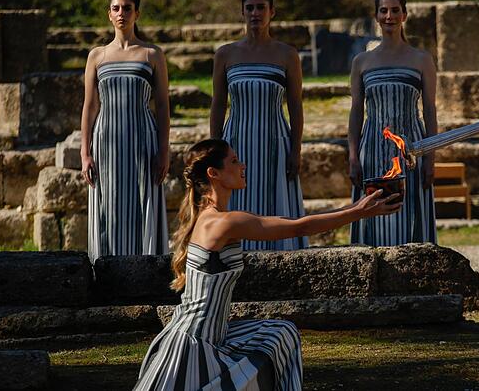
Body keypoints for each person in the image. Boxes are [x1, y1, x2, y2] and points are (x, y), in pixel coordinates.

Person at [134, 139, 401, 390]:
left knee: (281, 332)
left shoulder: (215, 217)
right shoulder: (222, 222)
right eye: (235, 161)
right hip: (194, 342)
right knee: (280, 335)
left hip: (213, 334)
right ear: (214, 173)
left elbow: (291, 221)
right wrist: (358, 212)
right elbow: (298, 228)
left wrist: (355, 208)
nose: (243, 166)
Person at [210, 0, 307, 250]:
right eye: (250, 8)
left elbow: (296, 105)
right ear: (242, 12)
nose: (255, 13)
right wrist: (214, 148)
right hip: (236, 144)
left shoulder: (286, 54)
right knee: (237, 204)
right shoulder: (226, 54)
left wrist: (295, 149)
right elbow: (218, 103)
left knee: (275, 206)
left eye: (261, 7)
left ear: (272, 12)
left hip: (275, 143)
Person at [80, 0, 169, 262]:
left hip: (143, 140)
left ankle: (146, 266)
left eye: (127, 8)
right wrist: (85, 153)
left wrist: (164, 150)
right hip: (106, 141)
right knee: (109, 203)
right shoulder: (97, 55)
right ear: (109, 15)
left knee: (142, 201)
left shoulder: (152, 54)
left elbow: (163, 106)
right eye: (116, 8)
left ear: (136, 13)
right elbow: (90, 106)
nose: (122, 13)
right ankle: (106, 267)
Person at [348, 0, 438, 246]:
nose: (389, 16)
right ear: (376, 16)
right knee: (373, 212)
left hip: (412, 151)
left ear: (404, 15)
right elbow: (356, 112)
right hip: (373, 149)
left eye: (395, 10)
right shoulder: (362, 62)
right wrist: (353, 156)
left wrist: (431, 157)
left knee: (410, 214)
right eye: (384, 11)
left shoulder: (421, 60)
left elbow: (430, 110)